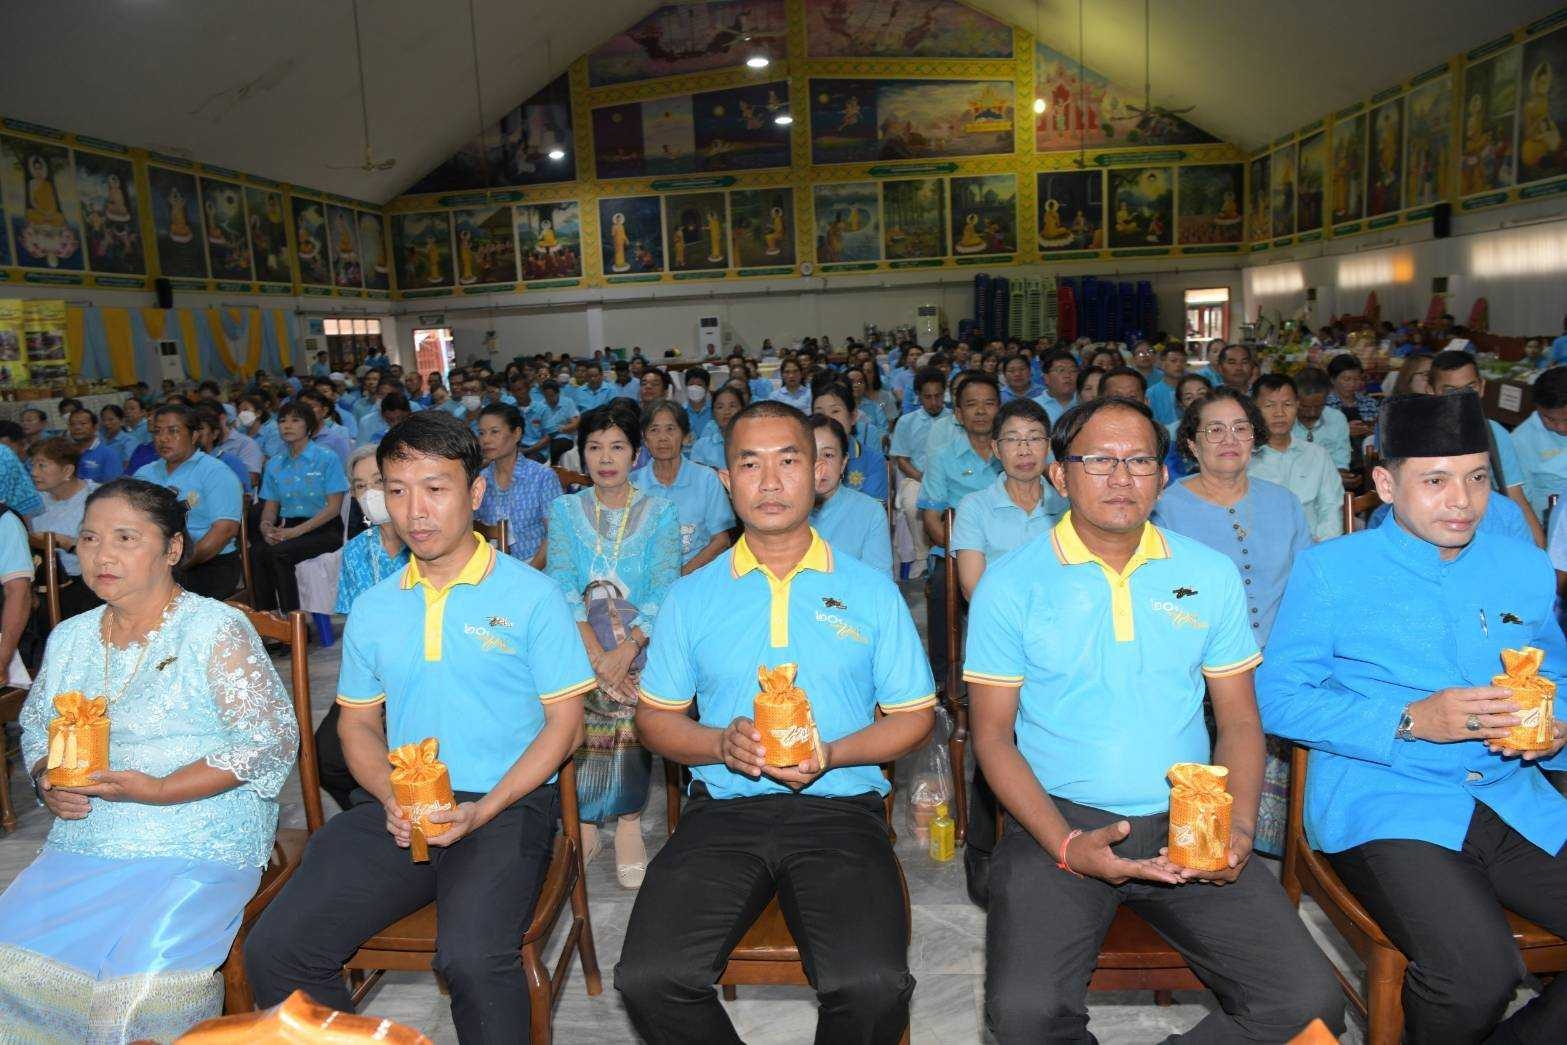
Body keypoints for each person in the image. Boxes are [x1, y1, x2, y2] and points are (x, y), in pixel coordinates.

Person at [963, 396, 1345, 1043]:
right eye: (1099, 460)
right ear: (1060, 476)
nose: (1121, 477)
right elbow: (992, 737)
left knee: (1309, 1008)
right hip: (1057, 820)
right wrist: (1064, 843)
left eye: (1139, 460)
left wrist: (1237, 828)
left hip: (1187, 818)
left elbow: (1239, 720)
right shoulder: (1010, 583)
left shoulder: (1207, 572)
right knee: (1025, 1015)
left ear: (1162, 476)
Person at [244, 412, 591, 1041]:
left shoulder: (530, 595)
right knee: (277, 949)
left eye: (435, 488)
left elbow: (566, 727)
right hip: (403, 804)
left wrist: (484, 810)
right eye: (397, 490)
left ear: (475, 493)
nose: (415, 511)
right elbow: (356, 726)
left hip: (505, 804)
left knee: (473, 960)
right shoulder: (377, 607)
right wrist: (389, 795)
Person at [616, 400, 936, 1045]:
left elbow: (913, 717)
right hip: (724, 811)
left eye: (788, 462)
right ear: (725, 480)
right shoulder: (692, 594)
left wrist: (833, 753)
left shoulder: (869, 590)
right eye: (749, 464)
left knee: (872, 986)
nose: (769, 482)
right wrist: (719, 743)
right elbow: (655, 721)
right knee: (650, 978)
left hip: (840, 810)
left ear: (819, 474)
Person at [1259, 392, 1567, 1045]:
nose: (1462, 500)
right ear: (1384, 483)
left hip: (1514, 796)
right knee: (1475, 975)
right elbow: (1279, 696)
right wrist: (1408, 718)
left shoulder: (1522, 567)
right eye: (1434, 480)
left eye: (1477, 478)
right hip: (1386, 799)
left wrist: (1555, 726)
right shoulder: (1331, 571)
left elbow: (1556, 676)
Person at [0, 479, 297, 1041]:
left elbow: (269, 739)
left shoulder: (214, 628)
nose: (102, 555)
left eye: (125, 538)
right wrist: (45, 779)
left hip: (197, 836)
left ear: (172, 548)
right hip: (90, 837)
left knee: (137, 994)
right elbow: (38, 726)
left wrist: (160, 789)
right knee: (10, 970)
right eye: (89, 538)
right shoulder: (70, 637)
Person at [1153, 386, 1312, 857]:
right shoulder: (1165, 508)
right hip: (1197, 658)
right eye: (1215, 430)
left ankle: (1279, 844)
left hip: (1281, 657)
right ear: (1192, 443)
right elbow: (1163, 595)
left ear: (1255, 439)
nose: (1230, 439)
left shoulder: (1283, 502)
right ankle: (1205, 834)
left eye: (1241, 428)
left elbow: (1307, 588)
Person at [546, 400, 680, 889]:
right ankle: (583, 822)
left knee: (630, 701)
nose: (605, 458)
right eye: (595, 447)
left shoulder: (660, 511)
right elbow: (561, 583)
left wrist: (625, 651)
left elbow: (666, 588)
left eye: (617, 447)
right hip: (578, 639)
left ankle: (627, 822)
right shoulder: (564, 510)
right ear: (581, 454)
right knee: (574, 694)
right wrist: (596, 654)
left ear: (635, 454)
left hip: (642, 641)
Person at [311, 446, 411, 814]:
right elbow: (356, 628)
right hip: (373, 676)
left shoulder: (425, 540)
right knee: (324, 756)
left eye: (378, 482)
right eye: (359, 486)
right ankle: (376, 815)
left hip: (424, 671)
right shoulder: (356, 551)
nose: (370, 493)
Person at [918, 371, 1002, 688]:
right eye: (971, 404)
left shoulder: (1014, 453)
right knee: (942, 586)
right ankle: (943, 679)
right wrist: (964, 553)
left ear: (1000, 408)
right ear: (958, 413)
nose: (980, 411)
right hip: (956, 549)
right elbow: (931, 519)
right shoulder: (942, 457)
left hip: (1009, 548)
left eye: (989, 403)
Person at [1429, 349, 1546, 546]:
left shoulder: (1494, 433)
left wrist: (1539, 549)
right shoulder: (1417, 437)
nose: (1463, 397)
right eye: (1450, 390)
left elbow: (1514, 494)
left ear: (1482, 387)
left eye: (1470, 387)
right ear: (1431, 391)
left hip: (1485, 533)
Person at [953, 397, 1064, 602]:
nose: (1024, 451)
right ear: (996, 449)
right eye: (1012, 439)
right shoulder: (974, 507)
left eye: (1034, 438)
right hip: (996, 616)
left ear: (1048, 446)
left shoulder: (1068, 506)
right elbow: (972, 588)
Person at [134, 404, 244, 599]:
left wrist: (178, 564)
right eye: (157, 432)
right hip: (154, 562)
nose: (163, 438)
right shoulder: (144, 474)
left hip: (207, 562)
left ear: (194, 436)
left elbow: (225, 530)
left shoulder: (215, 472)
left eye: (173, 431)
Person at [252, 402, 347, 613]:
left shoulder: (326, 458)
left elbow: (333, 508)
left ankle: (293, 621)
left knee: (279, 553)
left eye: (295, 420)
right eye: (282, 421)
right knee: (257, 552)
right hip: (288, 528)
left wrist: (295, 532)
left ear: (309, 426)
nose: (287, 425)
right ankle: (267, 616)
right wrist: (266, 526)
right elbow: (270, 506)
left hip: (324, 529)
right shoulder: (274, 464)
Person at [631, 401, 733, 575]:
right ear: (645, 439)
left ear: (685, 436)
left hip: (696, 575)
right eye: (654, 430)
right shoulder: (632, 483)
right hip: (645, 576)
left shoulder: (707, 478)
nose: (662, 438)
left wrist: (681, 575)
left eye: (670, 429)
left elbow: (721, 541)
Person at [1249, 374, 1347, 541]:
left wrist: (1320, 547)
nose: (1279, 413)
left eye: (1287, 405)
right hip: (1260, 548)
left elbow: (1332, 508)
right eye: (1269, 405)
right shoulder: (1243, 459)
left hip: (1313, 546)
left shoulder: (1317, 455)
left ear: (1297, 405)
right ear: (1254, 409)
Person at [475, 402, 562, 567]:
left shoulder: (542, 477)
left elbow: (556, 535)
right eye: (481, 433)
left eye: (494, 432)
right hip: (493, 566)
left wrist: (529, 573)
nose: (485, 440)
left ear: (516, 434)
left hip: (536, 566)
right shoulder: (480, 481)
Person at [809, 414, 892, 574]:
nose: (819, 464)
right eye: (811, 454)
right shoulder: (779, 510)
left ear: (843, 463)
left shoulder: (869, 512)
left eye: (828, 455)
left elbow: (879, 582)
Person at [28, 437, 101, 619]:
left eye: (42, 465)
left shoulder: (97, 499)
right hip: (39, 583)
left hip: (84, 586)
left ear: (67, 470)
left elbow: (103, 549)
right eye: (32, 465)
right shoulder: (33, 500)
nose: (34, 472)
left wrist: (64, 542)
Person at [889, 367, 950, 577]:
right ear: (918, 396)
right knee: (913, 504)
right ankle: (922, 556)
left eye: (938, 396)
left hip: (951, 478)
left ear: (944, 393)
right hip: (917, 477)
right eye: (928, 397)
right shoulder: (907, 421)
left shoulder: (954, 419)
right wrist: (923, 478)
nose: (934, 402)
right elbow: (902, 460)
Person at [1505, 365, 1567, 521]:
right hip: (1550, 522)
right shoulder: (1521, 440)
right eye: (1549, 418)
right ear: (1537, 408)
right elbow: (1521, 499)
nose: (1561, 427)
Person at [811, 379, 888, 503]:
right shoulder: (803, 457)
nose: (827, 419)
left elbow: (872, 509)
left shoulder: (873, 461)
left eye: (835, 411)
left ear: (853, 417)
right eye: (819, 413)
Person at [1292, 367, 1352, 471]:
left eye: (1319, 406)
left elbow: (1341, 460)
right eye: (1305, 407)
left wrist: (1340, 475)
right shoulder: (1283, 420)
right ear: (1294, 399)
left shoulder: (1336, 418)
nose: (1312, 413)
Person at [689, 385, 743, 470]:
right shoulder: (701, 446)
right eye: (720, 407)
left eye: (732, 406)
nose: (727, 411)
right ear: (713, 413)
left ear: (743, 410)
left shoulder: (753, 443)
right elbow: (697, 475)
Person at [63, 408, 122, 485]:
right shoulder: (66, 452)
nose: (77, 427)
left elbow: (114, 485)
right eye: (72, 424)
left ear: (95, 427)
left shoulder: (109, 453)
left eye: (83, 423)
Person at [538, 379, 582, 464]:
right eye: (546, 396)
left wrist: (559, 429)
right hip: (546, 438)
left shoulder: (568, 402)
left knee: (558, 445)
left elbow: (574, 424)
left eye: (551, 395)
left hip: (564, 437)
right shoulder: (541, 406)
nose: (549, 399)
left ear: (558, 393)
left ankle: (554, 467)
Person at [1147, 343, 1190, 425]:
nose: (1179, 365)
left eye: (1183, 361)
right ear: (1162, 364)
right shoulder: (1151, 394)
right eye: (1173, 361)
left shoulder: (1191, 390)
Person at [1033, 349, 1078, 425]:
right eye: (1061, 370)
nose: (1067, 375)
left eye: (1073, 370)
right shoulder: (1034, 406)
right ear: (1046, 378)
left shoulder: (1085, 401)